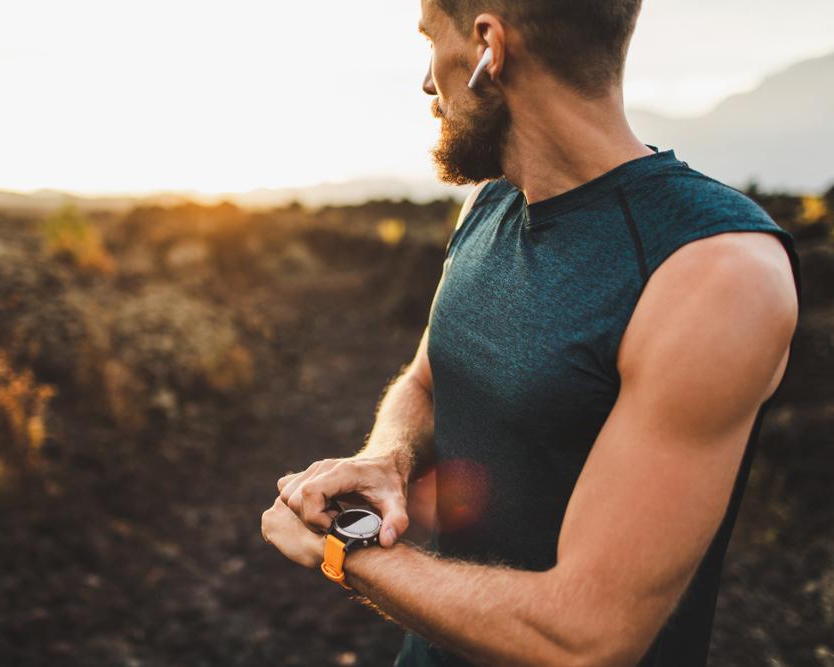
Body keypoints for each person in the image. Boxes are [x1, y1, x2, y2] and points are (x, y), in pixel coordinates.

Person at [260, 0, 802, 665]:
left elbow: (588, 635)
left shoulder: (714, 270)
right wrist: (388, 458)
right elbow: (429, 380)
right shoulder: (489, 202)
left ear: (489, 46)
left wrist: (344, 549)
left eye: (431, 41)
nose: (427, 82)